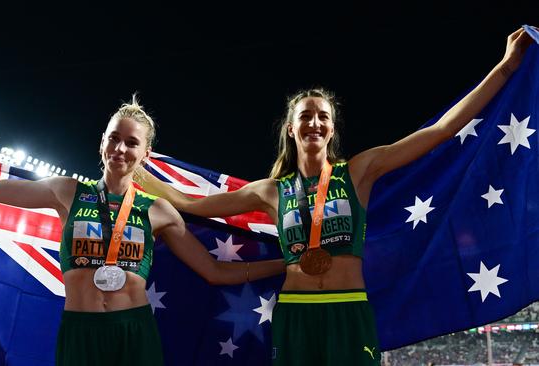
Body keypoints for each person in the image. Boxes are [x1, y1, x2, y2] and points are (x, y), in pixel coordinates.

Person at [135, 27, 535, 365]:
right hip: (296, 314)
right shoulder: (272, 191)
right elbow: (189, 204)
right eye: (305, 116)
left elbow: (442, 131)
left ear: (331, 129)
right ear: (291, 129)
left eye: (322, 116)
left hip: (349, 310)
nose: (314, 122)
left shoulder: (360, 171)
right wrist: (134, 168)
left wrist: (506, 66)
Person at [0, 97, 285, 366]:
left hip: (135, 332)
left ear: (145, 154)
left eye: (131, 143)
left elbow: (215, 272)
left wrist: (288, 265)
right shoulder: (65, 191)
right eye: (114, 138)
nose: (120, 148)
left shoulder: (160, 211)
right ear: (102, 142)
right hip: (81, 331)